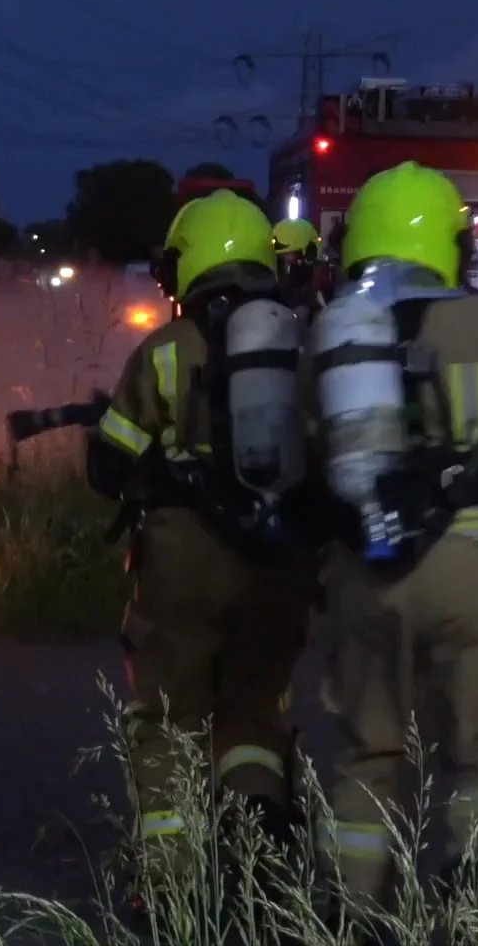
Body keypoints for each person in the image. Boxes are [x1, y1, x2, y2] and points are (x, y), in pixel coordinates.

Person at [307, 161, 478, 909]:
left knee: (367, 752)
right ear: (450, 242)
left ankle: (352, 911)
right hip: (469, 568)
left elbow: (302, 449)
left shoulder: (329, 329)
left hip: (365, 569)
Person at [87, 190, 317, 908]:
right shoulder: (301, 346)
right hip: (281, 563)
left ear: (185, 268)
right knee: (253, 712)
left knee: (169, 717)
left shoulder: (163, 352)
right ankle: (263, 856)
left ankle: (167, 889)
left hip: (184, 562)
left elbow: (108, 467)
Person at [272, 217, 328, 311]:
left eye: (292, 256)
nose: (287, 263)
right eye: (281, 258)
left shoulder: (322, 281)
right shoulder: (274, 284)